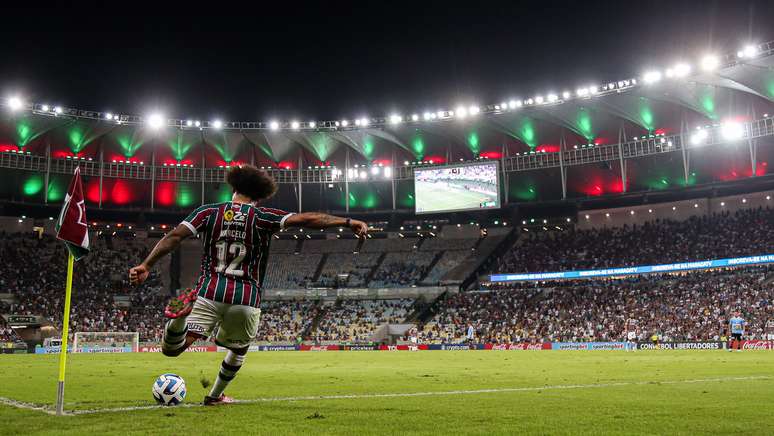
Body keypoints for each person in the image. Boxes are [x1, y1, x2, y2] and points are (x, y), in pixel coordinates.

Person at [129, 165, 368, 405]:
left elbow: (174, 236)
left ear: (234, 187)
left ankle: (179, 318)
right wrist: (347, 221)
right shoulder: (264, 217)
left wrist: (147, 265)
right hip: (246, 298)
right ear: (260, 195)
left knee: (173, 350)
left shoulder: (209, 212)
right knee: (239, 350)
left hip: (209, 291)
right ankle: (214, 396)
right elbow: (306, 219)